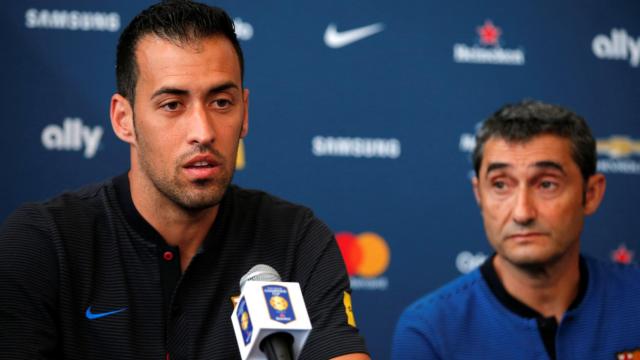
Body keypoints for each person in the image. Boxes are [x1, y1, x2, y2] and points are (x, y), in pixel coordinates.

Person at [0, 1, 369, 359]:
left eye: (221, 102)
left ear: (245, 113)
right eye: (172, 105)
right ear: (123, 119)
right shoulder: (45, 244)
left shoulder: (295, 239)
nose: (203, 131)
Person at [392, 100, 640, 359]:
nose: (522, 213)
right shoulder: (430, 331)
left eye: (546, 184)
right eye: (500, 185)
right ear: (479, 195)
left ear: (590, 194)